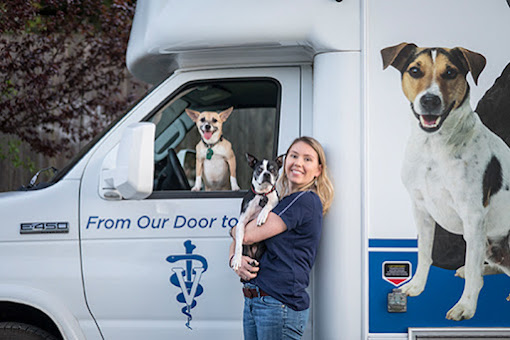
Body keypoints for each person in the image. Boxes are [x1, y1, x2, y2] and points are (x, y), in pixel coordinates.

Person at [228, 136, 334, 340]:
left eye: (307, 159)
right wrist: (235, 258)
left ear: (319, 170)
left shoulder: (304, 201)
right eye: (294, 156)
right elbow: (242, 234)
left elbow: (247, 235)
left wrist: (236, 230)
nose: (298, 163)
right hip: (257, 301)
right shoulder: (283, 201)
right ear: (285, 162)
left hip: (278, 305)